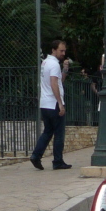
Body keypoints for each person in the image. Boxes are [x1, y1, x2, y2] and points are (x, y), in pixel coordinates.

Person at [31, 40, 70, 171]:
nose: (63, 53)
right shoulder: (53, 64)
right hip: (53, 103)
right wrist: (60, 103)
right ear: (53, 50)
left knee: (47, 131)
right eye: (61, 51)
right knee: (59, 133)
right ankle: (57, 161)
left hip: (44, 103)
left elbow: (60, 80)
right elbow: (54, 83)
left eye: (64, 51)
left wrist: (65, 69)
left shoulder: (46, 62)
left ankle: (36, 155)